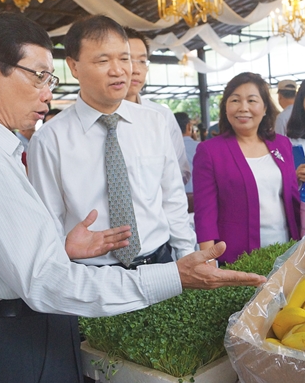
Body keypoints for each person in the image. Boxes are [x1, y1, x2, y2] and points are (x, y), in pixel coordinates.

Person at [0, 13, 265, 383]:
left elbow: (18, 253)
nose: (47, 93)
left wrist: (61, 247)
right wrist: (175, 277)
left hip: (34, 321)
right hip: (26, 330)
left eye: (48, 80)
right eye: (38, 77)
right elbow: (45, 281)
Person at [29, 15, 196, 269]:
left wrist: (186, 255)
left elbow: (172, 197)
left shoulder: (154, 123)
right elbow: (48, 221)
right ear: (74, 67)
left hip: (160, 263)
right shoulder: (50, 139)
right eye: (103, 60)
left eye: (124, 58)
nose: (118, 70)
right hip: (91, 272)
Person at [193, 72, 301, 264]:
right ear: (226, 107)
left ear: (265, 107)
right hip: (238, 259)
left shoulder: (282, 144)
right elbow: (205, 215)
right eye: (235, 100)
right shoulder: (210, 151)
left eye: (252, 100)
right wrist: (208, 264)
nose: (243, 108)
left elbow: (293, 198)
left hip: (286, 251)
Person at [123, 27, 191, 185]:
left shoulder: (161, 115)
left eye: (142, 61)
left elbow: (181, 171)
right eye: (126, 60)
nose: (136, 70)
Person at [175, 112, 200, 213]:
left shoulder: (166, 150)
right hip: (200, 201)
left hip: (176, 204)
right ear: (189, 127)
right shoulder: (202, 148)